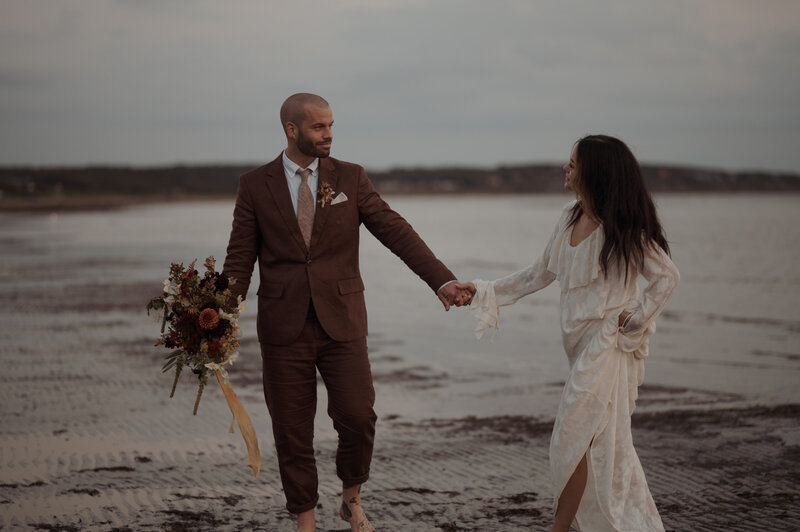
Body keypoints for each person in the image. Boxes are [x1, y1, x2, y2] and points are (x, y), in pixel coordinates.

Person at [221, 93, 473, 532]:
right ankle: (305, 519)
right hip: (283, 326)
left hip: (343, 320)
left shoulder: (350, 178)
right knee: (291, 429)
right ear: (292, 130)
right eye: (319, 127)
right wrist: (215, 317)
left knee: (358, 416)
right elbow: (239, 260)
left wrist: (442, 280)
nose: (329, 135)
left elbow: (396, 231)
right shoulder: (255, 185)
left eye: (332, 125)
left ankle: (351, 499)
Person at [464, 134, 679, 531]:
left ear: (595, 172)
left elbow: (666, 276)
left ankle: (559, 529)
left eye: (574, 164)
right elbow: (538, 274)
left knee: (570, 437)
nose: (566, 168)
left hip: (606, 346)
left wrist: (634, 318)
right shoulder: (568, 216)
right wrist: (481, 290)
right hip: (579, 347)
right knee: (606, 446)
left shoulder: (622, 226)